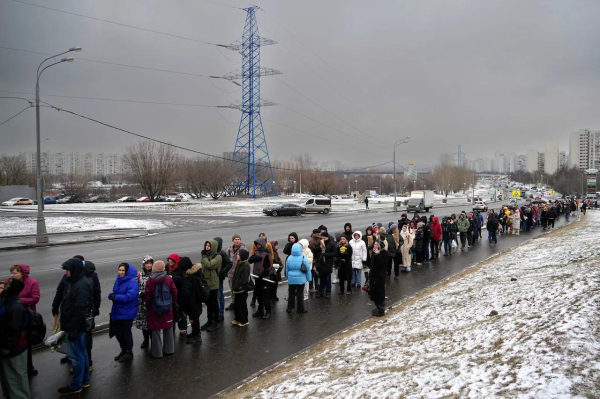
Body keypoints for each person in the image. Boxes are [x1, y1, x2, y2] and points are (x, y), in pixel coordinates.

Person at [58, 257, 92, 395]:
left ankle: (76, 385)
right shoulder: (76, 281)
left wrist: (72, 330)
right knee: (82, 354)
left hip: (76, 328)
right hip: (76, 327)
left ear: (75, 270)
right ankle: (84, 380)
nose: (66, 272)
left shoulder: (81, 285)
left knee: (76, 358)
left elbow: (80, 310)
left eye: (68, 270)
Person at [0, 278, 30, 399]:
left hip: (15, 349)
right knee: (9, 379)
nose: (4, 287)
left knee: (16, 380)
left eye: (6, 285)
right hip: (8, 348)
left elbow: (13, 331)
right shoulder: (6, 301)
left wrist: (6, 348)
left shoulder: (15, 306)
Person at [10, 264, 40, 377]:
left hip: (27, 315)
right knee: (15, 340)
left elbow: (35, 298)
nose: (12, 275)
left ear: (22, 273)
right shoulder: (11, 282)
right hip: (13, 315)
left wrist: (18, 300)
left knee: (26, 342)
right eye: (11, 273)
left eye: (15, 273)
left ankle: (29, 368)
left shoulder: (32, 283)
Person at [145, 260, 178, 358]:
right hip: (167, 308)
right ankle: (169, 350)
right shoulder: (168, 279)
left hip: (154, 310)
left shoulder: (150, 281)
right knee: (168, 329)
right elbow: (174, 292)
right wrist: (172, 304)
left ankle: (157, 353)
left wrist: (148, 307)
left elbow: (148, 296)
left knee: (155, 331)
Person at [108, 263, 138, 363]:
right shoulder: (119, 279)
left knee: (126, 334)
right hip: (117, 310)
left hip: (127, 312)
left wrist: (115, 297)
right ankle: (123, 350)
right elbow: (116, 292)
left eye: (123, 270)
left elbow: (129, 297)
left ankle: (129, 352)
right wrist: (112, 295)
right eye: (119, 270)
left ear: (127, 271)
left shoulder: (132, 281)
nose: (120, 272)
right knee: (117, 333)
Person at [180, 258, 204, 343]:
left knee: (193, 319)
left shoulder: (188, 277)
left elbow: (186, 292)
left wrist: (183, 301)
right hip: (197, 300)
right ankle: (195, 333)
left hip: (192, 302)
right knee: (194, 318)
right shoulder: (197, 273)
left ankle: (197, 335)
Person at [200, 240, 222, 331]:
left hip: (213, 283)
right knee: (208, 303)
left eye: (209, 245)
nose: (207, 247)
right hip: (206, 282)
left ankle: (216, 322)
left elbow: (209, 265)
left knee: (214, 302)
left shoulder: (218, 257)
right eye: (206, 245)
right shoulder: (206, 256)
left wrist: (204, 257)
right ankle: (209, 321)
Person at [249, 237, 272, 319]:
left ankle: (268, 311)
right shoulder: (256, 252)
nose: (258, 246)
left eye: (259, 244)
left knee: (266, 295)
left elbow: (270, 266)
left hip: (264, 278)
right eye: (257, 244)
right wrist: (253, 258)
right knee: (258, 294)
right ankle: (260, 310)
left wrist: (263, 274)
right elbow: (249, 260)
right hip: (257, 277)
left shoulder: (267, 253)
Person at [286, 244, 312, 313]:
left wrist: (288, 277)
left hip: (291, 279)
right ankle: (300, 309)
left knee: (291, 293)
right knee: (300, 294)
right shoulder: (303, 258)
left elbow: (287, 269)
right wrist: (309, 279)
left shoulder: (289, 258)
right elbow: (308, 270)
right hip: (300, 279)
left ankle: (289, 308)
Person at [167, 253, 187, 335]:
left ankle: (183, 327)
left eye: (172, 262)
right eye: (169, 262)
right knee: (172, 311)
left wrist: (173, 278)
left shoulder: (181, 268)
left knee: (180, 311)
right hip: (170, 293)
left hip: (179, 292)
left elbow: (184, 279)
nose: (170, 264)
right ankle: (172, 328)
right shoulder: (167, 267)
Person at [136, 255, 153, 349]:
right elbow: (135, 288)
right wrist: (140, 293)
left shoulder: (154, 274)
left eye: (150, 263)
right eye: (147, 263)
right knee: (144, 323)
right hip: (142, 303)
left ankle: (153, 340)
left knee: (152, 322)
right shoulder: (139, 275)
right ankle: (146, 340)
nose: (149, 265)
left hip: (152, 302)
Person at [225, 235, 246, 311]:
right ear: (233, 240)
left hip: (238, 273)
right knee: (232, 289)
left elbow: (245, 261)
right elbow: (226, 259)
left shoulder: (243, 249)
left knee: (239, 289)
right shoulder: (229, 249)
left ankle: (239, 303)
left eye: (238, 239)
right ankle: (233, 303)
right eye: (235, 239)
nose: (237, 240)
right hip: (231, 273)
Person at [214, 237, 233, 321]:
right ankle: (215, 312)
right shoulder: (210, 252)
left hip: (218, 278)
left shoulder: (221, 253)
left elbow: (229, 263)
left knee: (220, 295)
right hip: (211, 279)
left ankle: (221, 313)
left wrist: (222, 272)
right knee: (213, 296)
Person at [231, 249, 251, 325]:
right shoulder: (239, 263)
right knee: (237, 305)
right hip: (236, 288)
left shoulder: (245, 265)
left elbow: (244, 279)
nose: (237, 255)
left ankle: (244, 320)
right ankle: (237, 319)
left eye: (239, 254)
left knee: (241, 305)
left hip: (241, 289)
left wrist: (238, 286)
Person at [369, 240, 388, 317]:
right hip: (373, 276)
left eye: (377, 245)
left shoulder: (384, 253)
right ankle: (377, 307)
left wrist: (378, 255)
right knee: (374, 292)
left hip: (380, 277)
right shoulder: (374, 253)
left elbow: (383, 264)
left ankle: (381, 309)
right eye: (374, 244)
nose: (375, 246)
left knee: (380, 292)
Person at [316, 232, 336, 299]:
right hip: (321, 264)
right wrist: (320, 247)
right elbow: (316, 251)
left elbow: (334, 254)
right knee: (321, 279)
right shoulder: (320, 243)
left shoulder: (331, 244)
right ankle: (320, 292)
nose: (323, 239)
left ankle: (328, 292)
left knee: (327, 279)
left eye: (324, 238)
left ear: (327, 237)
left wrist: (325, 254)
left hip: (328, 264)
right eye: (322, 238)